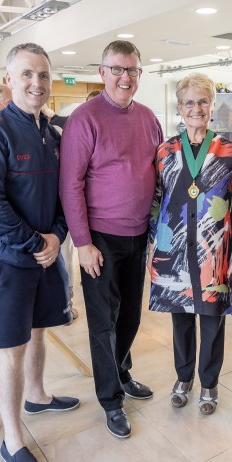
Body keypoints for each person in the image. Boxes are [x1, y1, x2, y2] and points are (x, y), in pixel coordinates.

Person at [0, 43, 78, 462]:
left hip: (43, 254)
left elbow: (64, 195)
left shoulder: (52, 135)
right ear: (9, 80)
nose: (37, 83)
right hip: (6, 259)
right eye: (27, 75)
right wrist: (37, 242)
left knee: (39, 330)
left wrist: (57, 235)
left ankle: (38, 395)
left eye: (44, 75)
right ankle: (12, 438)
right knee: (11, 347)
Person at [60, 40, 163, 439]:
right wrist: (83, 243)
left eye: (132, 70)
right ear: (102, 72)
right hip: (100, 239)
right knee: (103, 323)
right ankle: (110, 399)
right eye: (117, 69)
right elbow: (70, 185)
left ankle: (122, 373)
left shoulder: (149, 118)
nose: (125, 77)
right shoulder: (84, 119)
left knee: (132, 316)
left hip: (138, 235)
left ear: (139, 74)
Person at [148, 72, 232, 415]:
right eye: (189, 102)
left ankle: (208, 382)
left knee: (211, 319)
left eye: (202, 102)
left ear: (211, 107)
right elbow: (155, 200)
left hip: (213, 255)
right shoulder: (165, 151)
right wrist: (154, 242)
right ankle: (183, 377)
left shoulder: (228, 151)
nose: (196, 108)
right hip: (174, 254)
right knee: (180, 320)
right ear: (180, 107)